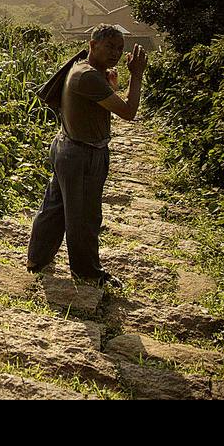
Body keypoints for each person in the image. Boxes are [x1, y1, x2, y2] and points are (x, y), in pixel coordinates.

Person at [26, 24, 148, 288]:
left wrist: (111, 85)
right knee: (84, 216)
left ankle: (37, 259)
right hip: (82, 155)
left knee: (55, 207)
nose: (115, 53)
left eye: (119, 48)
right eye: (109, 47)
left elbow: (101, 103)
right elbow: (128, 111)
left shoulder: (86, 69)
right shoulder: (88, 76)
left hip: (68, 147)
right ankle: (87, 272)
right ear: (92, 45)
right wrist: (136, 75)